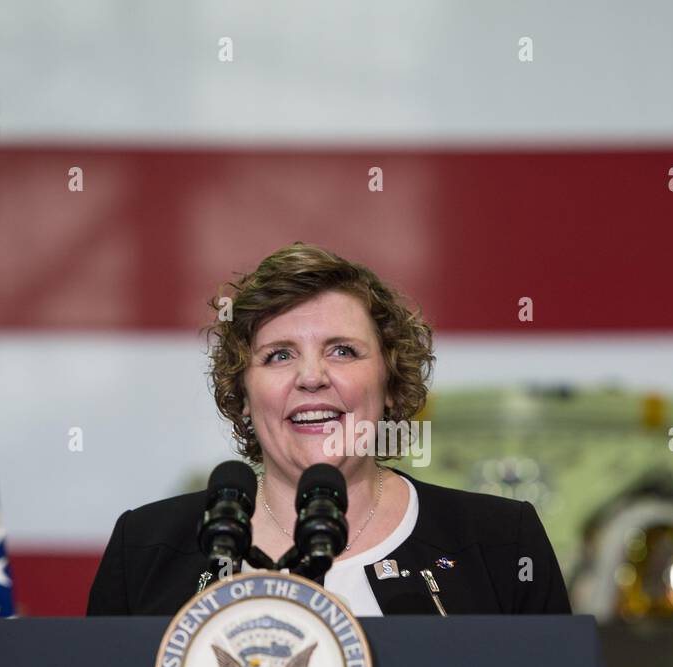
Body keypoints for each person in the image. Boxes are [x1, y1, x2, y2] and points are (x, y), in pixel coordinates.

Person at [86, 242, 571, 618]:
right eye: (279, 355)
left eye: (343, 350)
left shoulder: (501, 542)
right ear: (244, 392)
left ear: (389, 381)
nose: (312, 376)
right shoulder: (147, 548)